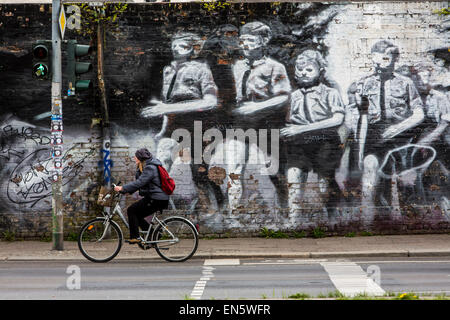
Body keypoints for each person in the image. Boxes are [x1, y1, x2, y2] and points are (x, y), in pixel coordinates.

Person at [350, 40, 424, 217]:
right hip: (377, 135)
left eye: (384, 58)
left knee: (404, 180)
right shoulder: (364, 84)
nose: (379, 63)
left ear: (394, 59)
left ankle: (408, 220)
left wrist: (398, 128)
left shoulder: (405, 83)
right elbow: (362, 119)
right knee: (369, 169)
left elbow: (419, 114)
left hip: (402, 135)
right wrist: (360, 150)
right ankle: (367, 220)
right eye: (375, 58)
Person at [280, 49, 345, 223]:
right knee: (293, 176)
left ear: (320, 71)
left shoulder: (330, 93)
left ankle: (333, 218)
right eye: (300, 70)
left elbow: (338, 118)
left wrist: (302, 129)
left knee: (324, 184)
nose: (304, 73)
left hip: (324, 142)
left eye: (309, 70)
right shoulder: (294, 96)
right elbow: (289, 121)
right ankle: (294, 221)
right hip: (299, 143)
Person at [114, 148, 169, 244]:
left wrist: (123, 188)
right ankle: (154, 234)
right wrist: (125, 190)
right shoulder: (145, 166)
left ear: (140, 158)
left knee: (131, 210)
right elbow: (140, 184)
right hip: (155, 198)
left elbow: (139, 182)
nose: (134, 158)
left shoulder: (150, 168)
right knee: (137, 215)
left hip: (156, 199)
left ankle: (135, 237)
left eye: (136, 156)